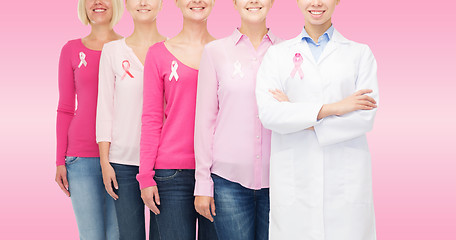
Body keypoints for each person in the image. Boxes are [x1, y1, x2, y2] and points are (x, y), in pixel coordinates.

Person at [255, 0, 379, 239]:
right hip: (295, 183)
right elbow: (269, 114)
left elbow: (365, 117)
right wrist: (334, 108)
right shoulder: (277, 55)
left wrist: (295, 113)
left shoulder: (360, 53)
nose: (317, 3)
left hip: (345, 184)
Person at [193, 1, 281, 239]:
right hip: (228, 182)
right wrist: (202, 183)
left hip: (279, 181)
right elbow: (204, 122)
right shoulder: (215, 52)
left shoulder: (286, 53)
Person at [137, 0, 218, 239]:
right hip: (171, 174)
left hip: (217, 172)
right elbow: (151, 118)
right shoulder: (158, 53)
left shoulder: (224, 52)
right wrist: (145, 176)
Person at [96, 0, 167, 239]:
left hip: (164, 164)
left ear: (161, 4)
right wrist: (105, 162)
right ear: (126, 4)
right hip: (122, 164)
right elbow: (105, 109)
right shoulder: (113, 51)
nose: (144, 2)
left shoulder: (172, 49)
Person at [54, 0, 123, 239]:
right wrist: (59, 160)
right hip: (80, 159)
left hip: (121, 157)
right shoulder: (71, 50)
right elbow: (65, 108)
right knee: (91, 236)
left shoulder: (128, 48)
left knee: (118, 235)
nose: (97, 2)